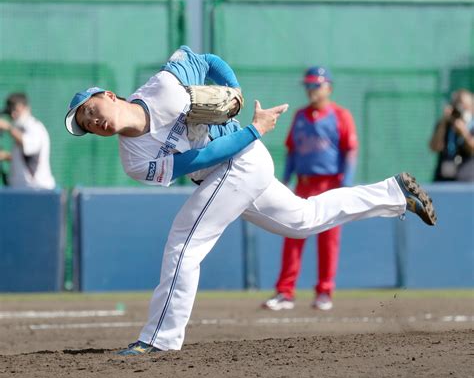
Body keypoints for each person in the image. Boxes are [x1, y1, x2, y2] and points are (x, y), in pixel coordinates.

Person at [64, 46, 436, 356]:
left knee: (183, 244)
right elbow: (196, 161)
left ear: (108, 95)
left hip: (242, 163)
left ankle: (159, 339)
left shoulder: (166, 84)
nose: (93, 121)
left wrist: (235, 92)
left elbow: (206, 59)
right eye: (85, 125)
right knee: (303, 221)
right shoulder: (134, 160)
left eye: (91, 110)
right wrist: (254, 130)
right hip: (228, 165)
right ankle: (393, 192)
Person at [262, 67, 358, 312]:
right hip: (303, 184)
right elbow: (292, 150)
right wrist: (283, 182)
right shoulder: (300, 116)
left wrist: (346, 184)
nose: (311, 90)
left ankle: (324, 292)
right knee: (293, 234)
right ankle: (285, 292)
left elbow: (350, 150)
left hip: (329, 184)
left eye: (316, 85)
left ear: (329, 87)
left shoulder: (340, 115)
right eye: (309, 86)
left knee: (329, 240)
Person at [0, 93, 56, 189]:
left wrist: (8, 127)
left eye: (16, 110)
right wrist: (5, 156)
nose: (13, 115)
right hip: (21, 190)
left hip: (38, 190)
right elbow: (25, 158)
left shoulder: (34, 127)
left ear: (27, 108)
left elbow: (28, 146)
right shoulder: (19, 128)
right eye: (10, 112)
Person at [429, 89, 474, 182]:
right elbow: (434, 147)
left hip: (468, 181)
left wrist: (463, 132)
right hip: (443, 180)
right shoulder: (444, 124)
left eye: (465, 106)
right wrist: (444, 123)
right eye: (457, 105)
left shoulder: (471, 126)